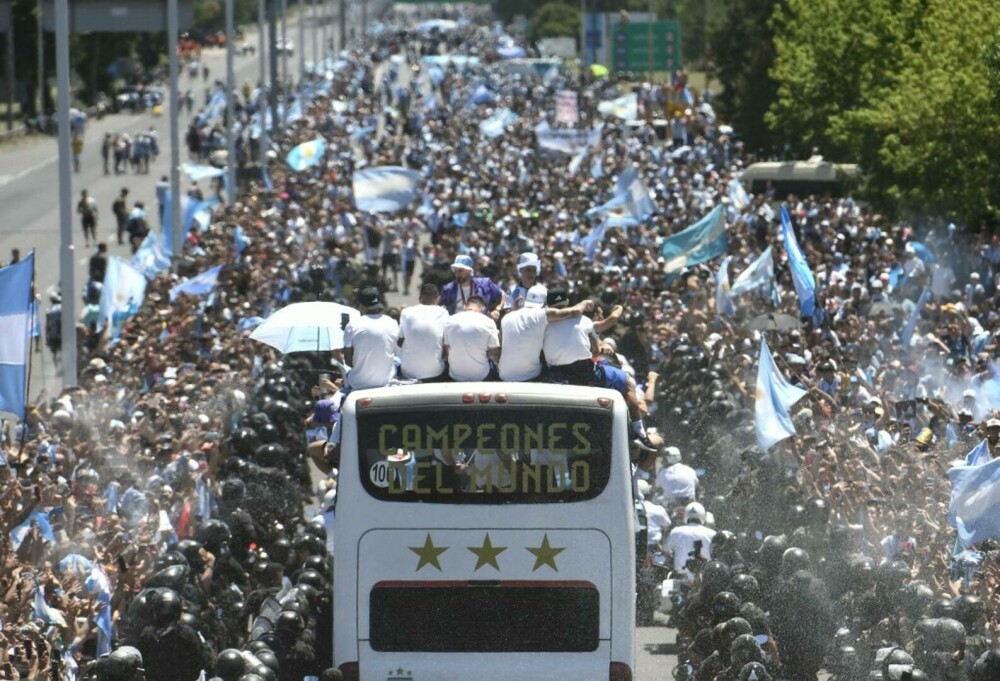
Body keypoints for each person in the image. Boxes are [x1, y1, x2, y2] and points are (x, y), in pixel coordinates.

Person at [499, 284, 594, 382]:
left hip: (504, 376)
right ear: (545, 303)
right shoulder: (542, 315)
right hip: (530, 376)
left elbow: (498, 346)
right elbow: (575, 311)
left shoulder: (506, 318)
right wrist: (584, 302)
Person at [337, 287, 399, 391]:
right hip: (386, 382)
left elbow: (348, 361)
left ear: (362, 307)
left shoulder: (352, 324)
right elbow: (396, 351)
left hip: (358, 383)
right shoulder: (392, 323)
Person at [398, 283, 449, 381]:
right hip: (435, 372)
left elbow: (400, 338)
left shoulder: (406, 312)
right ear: (438, 298)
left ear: (419, 298)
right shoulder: (443, 313)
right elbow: (447, 341)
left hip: (408, 372)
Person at [442, 295, 501, 381]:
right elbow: (493, 353)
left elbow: (446, 350)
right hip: (481, 375)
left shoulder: (450, 320)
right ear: (483, 308)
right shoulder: (488, 322)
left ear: (465, 306)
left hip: (455, 375)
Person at [439, 254, 505, 317]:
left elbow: (503, 294)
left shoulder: (484, 284)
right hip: (457, 324)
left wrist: (497, 310)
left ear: (469, 271)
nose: (457, 274)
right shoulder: (448, 289)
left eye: (460, 271)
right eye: (455, 271)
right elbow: (441, 307)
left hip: (480, 323)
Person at [664, 501, 716, 577]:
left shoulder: (676, 532)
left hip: (681, 578)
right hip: (704, 578)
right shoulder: (712, 534)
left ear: (686, 515)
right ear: (703, 516)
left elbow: (665, 551)